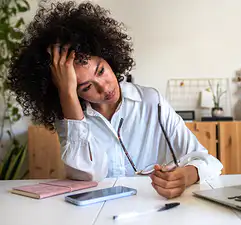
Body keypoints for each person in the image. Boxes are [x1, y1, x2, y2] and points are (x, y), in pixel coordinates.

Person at [8, 1, 223, 199]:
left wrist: (187, 175)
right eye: (86, 86)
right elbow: (88, 177)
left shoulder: (150, 102)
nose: (105, 87)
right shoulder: (70, 116)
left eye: (101, 70)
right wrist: (67, 93)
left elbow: (209, 162)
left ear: (109, 57)